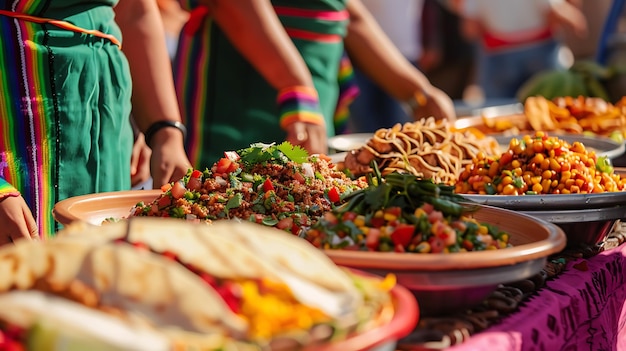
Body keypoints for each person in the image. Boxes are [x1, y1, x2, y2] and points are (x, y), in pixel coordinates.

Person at [174, 0, 456, 168]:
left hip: (310, 105)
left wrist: (418, 92)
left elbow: (345, 13)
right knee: (228, 201)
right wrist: (295, 85)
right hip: (239, 93)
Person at [0, 0, 192, 245]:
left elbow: (133, 9)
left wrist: (164, 132)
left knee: (95, 268)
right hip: (14, 130)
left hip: (106, 130)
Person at [458, 0, 588, 99]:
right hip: (541, 54)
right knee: (552, 111)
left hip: (498, 57)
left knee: (500, 115)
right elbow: (554, 12)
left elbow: (471, 28)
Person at [347, 0, 425, 134]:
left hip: (405, 56)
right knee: (365, 132)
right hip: (360, 56)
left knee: (400, 131)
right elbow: (351, 16)